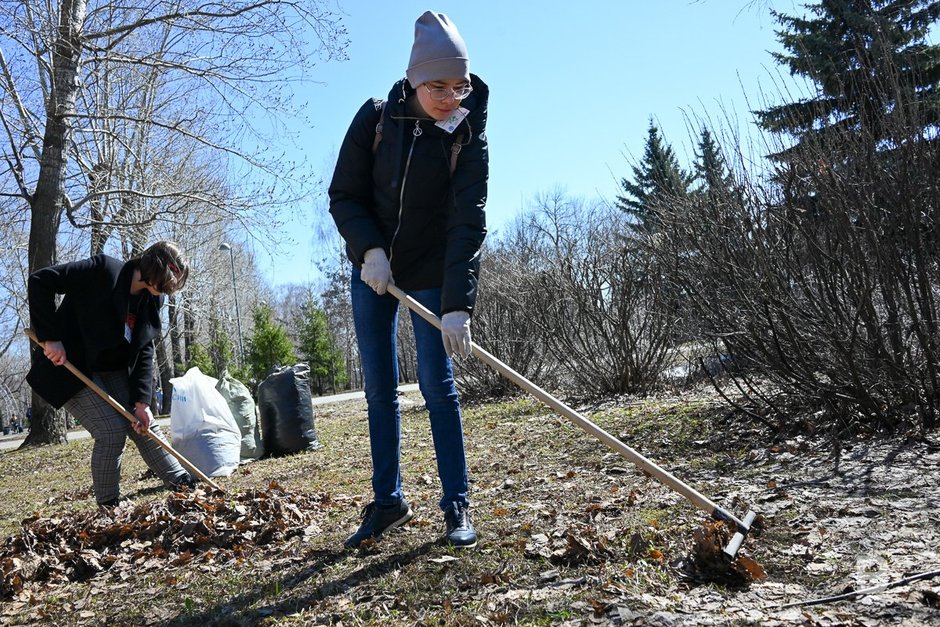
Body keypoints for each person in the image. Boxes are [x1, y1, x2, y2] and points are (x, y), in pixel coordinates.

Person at [329, 10, 488, 550]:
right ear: (414, 79)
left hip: (429, 271)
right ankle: (388, 500)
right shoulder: (376, 119)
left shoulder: (468, 136)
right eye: (436, 85)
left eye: (458, 85)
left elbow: (468, 222)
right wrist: (369, 250)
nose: (449, 96)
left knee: (437, 387)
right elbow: (344, 195)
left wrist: (457, 304)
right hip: (374, 271)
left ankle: (456, 503)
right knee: (379, 390)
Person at [26, 241, 196, 507]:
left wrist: (142, 402)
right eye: (166, 282)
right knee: (110, 431)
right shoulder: (103, 270)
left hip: (112, 368)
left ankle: (182, 483)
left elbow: (143, 350)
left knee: (144, 424)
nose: (165, 291)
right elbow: (40, 281)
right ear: (155, 268)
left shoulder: (152, 299)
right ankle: (109, 506)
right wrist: (50, 338)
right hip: (69, 366)